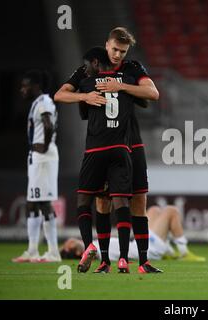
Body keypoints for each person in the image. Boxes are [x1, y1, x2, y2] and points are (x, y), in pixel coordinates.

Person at [54, 27, 160, 273]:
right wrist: (84, 97)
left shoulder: (132, 68)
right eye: (114, 49)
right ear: (106, 44)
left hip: (132, 142)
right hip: (106, 144)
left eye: (122, 51)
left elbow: (152, 93)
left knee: (138, 199)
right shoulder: (89, 69)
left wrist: (121, 86)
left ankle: (143, 261)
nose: (117, 55)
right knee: (102, 201)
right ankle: (105, 260)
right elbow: (60, 94)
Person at [72, 47, 140, 274]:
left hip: (95, 149)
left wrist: (83, 95)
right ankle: (122, 259)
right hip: (121, 149)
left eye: (87, 65)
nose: (85, 70)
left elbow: (70, 102)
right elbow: (148, 100)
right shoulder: (128, 81)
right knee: (121, 202)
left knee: (85, 200)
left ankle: (90, 245)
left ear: (95, 62)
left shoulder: (87, 84)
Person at [60, 205, 206, 271]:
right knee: (171, 211)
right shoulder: (93, 251)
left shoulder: (94, 246)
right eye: (69, 244)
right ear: (79, 253)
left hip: (138, 243)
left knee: (154, 210)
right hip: (149, 249)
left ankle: (168, 252)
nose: (70, 240)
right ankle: (184, 252)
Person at [13, 70, 61, 263]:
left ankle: (53, 251)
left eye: (26, 85)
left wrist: (45, 145)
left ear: (36, 86)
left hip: (43, 158)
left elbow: (49, 125)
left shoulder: (44, 102)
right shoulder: (38, 103)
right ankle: (32, 250)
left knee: (43, 203)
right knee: (32, 203)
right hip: (37, 157)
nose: (22, 89)